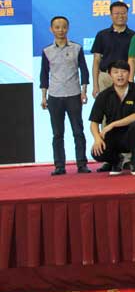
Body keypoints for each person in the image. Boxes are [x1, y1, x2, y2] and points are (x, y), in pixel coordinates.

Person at [40, 16, 90, 175]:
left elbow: (84, 71)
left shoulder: (76, 48)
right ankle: (59, 166)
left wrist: (84, 91)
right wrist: (43, 96)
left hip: (74, 94)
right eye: (57, 27)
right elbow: (44, 75)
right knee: (57, 134)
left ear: (68, 28)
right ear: (51, 29)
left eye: (63, 27)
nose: (60, 30)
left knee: (78, 131)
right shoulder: (47, 51)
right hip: (54, 96)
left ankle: (82, 164)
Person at [89, 60, 135, 175]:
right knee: (97, 152)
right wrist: (97, 138)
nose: (120, 75)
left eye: (123, 72)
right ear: (110, 74)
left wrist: (112, 124)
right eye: (116, 72)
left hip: (132, 134)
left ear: (129, 73)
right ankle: (117, 161)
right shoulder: (104, 95)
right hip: (113, 135)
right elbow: (94, 122)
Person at [91, 1, 135, 99]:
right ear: (111, 15)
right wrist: (95, 85)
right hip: (105, 77)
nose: (120, 16)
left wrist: (131, 80)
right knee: (104, 106)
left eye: (123, 13)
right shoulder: (102, 35)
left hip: (125, 77)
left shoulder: (134, 36)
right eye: (117, 13)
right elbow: (96, 60)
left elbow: (134, 61)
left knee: (125, 106)